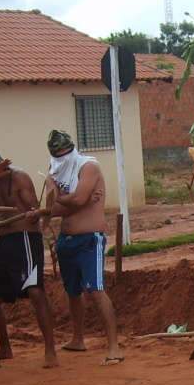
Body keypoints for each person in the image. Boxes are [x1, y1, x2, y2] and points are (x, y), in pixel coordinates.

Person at [0, 138, 58, 368]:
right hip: (5, 240)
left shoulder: (19, 177)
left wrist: (33, 214)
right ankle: (5, 348)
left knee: (35, 291)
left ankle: (50, 349)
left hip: (26, 238)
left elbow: (35, 210)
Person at [44, 130, 123, 366]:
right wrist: (48, 207)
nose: (61, 157)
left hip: (89, 239)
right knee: (73, 291)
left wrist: (59, 194)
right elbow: (58, 207)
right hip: (66, 239)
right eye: (57, 154)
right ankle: (77, 338)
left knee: (96, 289)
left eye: (64, 152)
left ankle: (114, 347)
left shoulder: (88, 167)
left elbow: (77, 200)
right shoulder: (55, 169)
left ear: (71, 149)